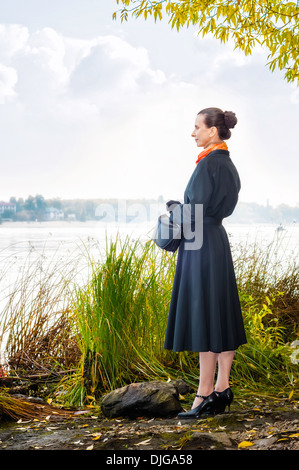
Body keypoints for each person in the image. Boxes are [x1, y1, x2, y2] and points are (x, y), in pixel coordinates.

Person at [164, 107, 247, 419]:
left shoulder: (208, 164)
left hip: (200, 243)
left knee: (205, 316)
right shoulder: (226, 164)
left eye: (197, 127)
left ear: (213, 130)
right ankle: (222, 388)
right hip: (215, 240)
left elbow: (193, 212)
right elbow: (211, 209)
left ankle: (204, 394)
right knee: (220, 313)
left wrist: (173, 210)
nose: (193, 132)